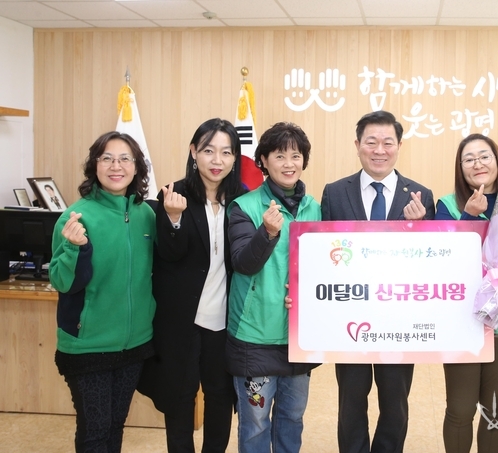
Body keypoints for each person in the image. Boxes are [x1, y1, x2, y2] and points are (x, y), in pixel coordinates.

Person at [321, 110, 435, 453]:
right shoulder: (334, 193)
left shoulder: (420, 195)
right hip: (350, 318)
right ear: (357, 145)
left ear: (399, 146)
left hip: (399, 318)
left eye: (388, 142)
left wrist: (419, 228)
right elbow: (323, 257)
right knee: (351, 401)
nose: (379, 150)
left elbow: (430, 263)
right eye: (371, 142)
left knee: (395, 402)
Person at [136, 118, 245, 453]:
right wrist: (173, 218)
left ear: (235, 157)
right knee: (180, 398)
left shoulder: (243, 199)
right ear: (194, 152)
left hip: (224, 320)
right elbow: (169, 255)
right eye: (209, 151)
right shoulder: (174, 194)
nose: (217, 160)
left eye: (226, 152)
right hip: (181, 320)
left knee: (220, 396)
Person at [49, 131, 155, 452]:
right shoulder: (76, 217)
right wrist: (74, 247)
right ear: (94, 165)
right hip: (88, 345)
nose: (115, 166)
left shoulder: (147, 215)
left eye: (124, 159)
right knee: (95, 430)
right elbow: (62, 282)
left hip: (134, 343)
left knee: (114, 426)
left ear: (137, 167)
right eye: (107, 158)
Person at [227, 122, 320, 453]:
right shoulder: (245, 206)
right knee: (255, 424)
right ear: (263, 161)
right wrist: (266, 232)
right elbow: (243, 263)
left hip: (299, 335)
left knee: (292, 419)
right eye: (279, 156)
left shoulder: (315, 208)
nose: (289, 163)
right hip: (256, 335)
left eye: (295, 155)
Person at [436, 134, 498, 453]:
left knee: (495, 411)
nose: (477, 163)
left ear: (497, 160)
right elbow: (444, 260)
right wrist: (469, 217)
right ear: (460, 167)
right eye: (469, 158)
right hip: (462, 320)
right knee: (460, 409)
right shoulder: (448, 205)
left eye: (484, 156)